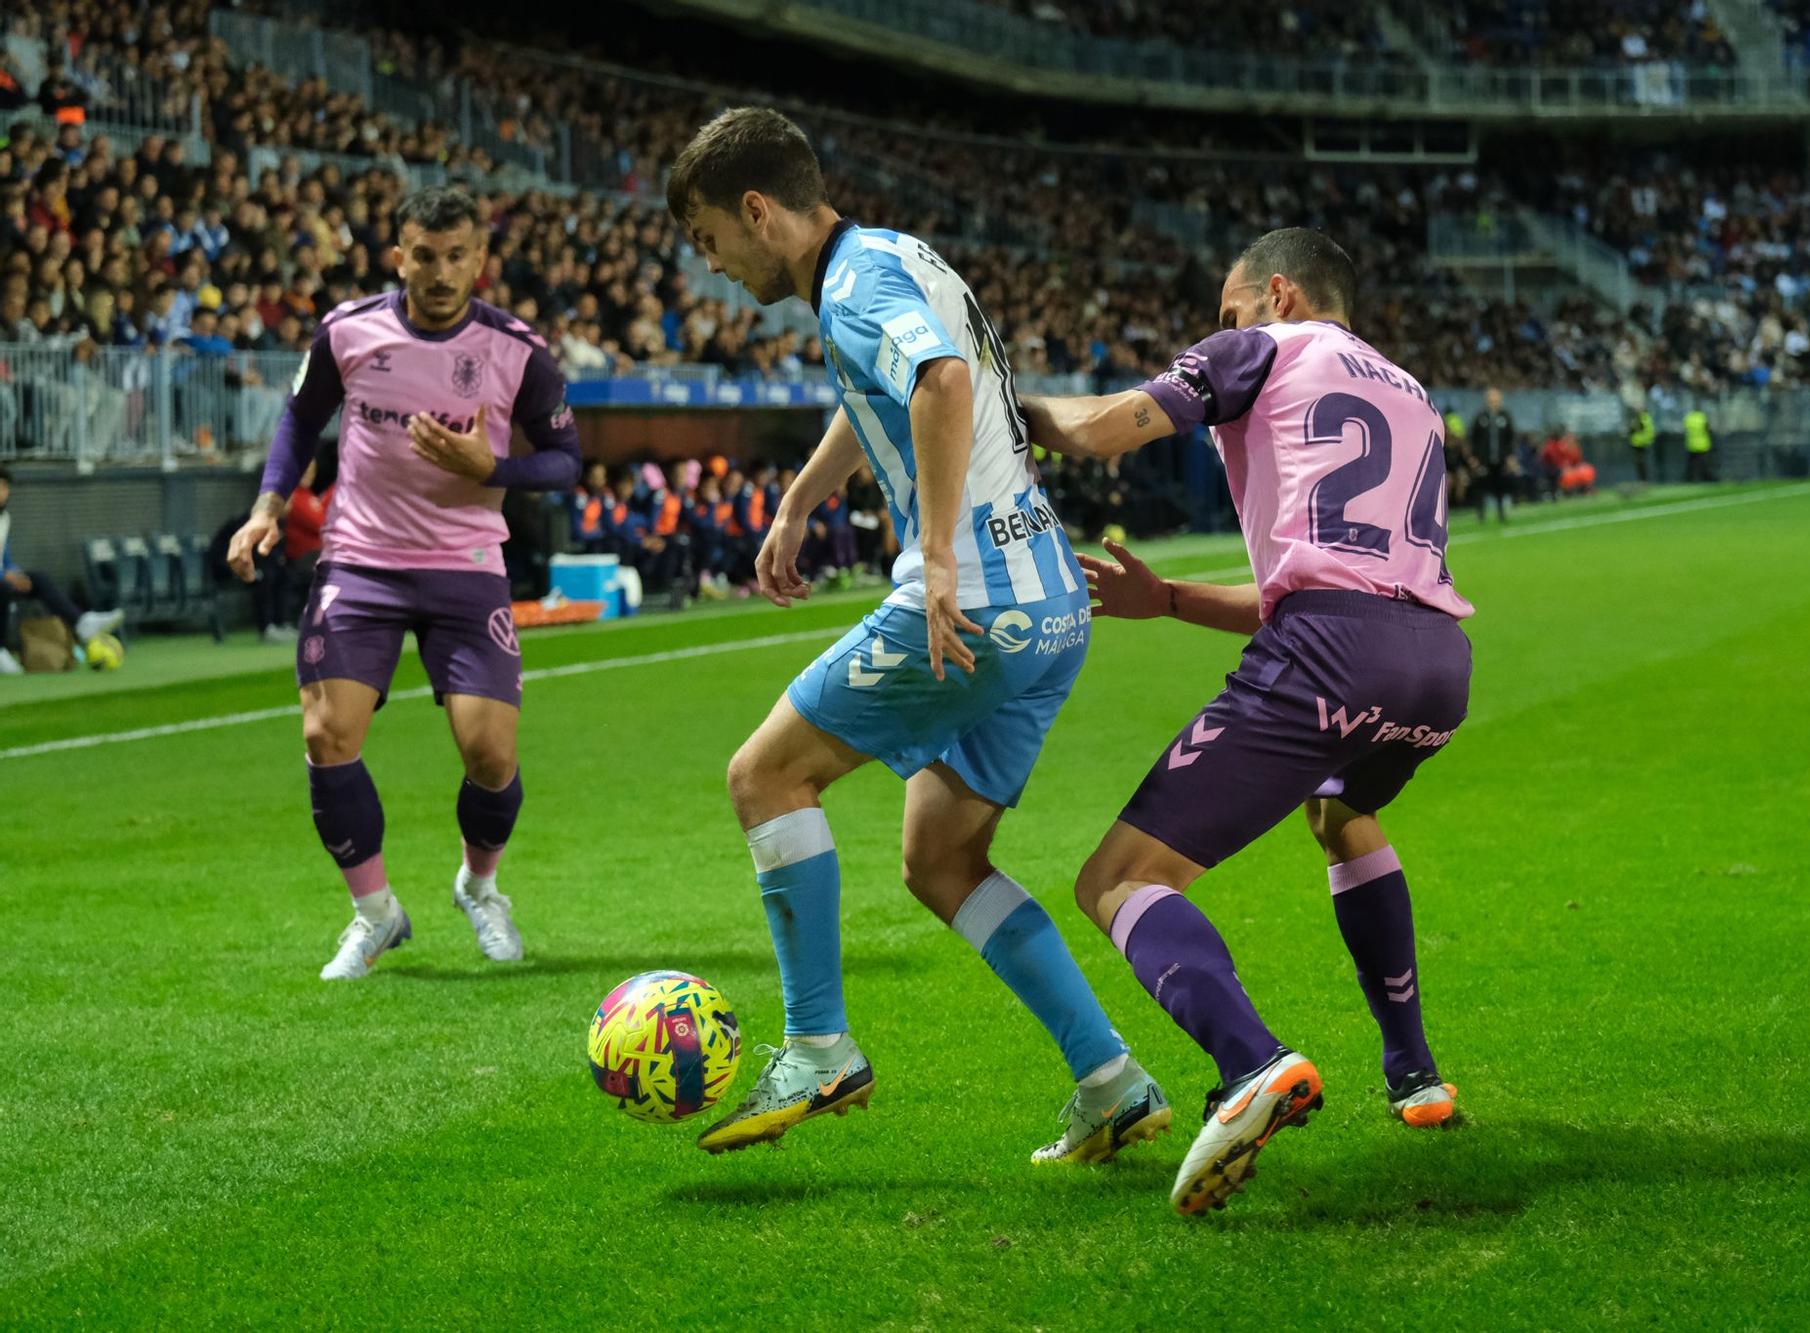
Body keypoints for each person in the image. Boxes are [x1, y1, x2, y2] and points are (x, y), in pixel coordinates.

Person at [669, 107, 1168, 1162]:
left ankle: (816, 1047)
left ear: (758, 212)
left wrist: (935, 556)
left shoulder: (852, 289)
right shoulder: (890, 256)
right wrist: (801, 500)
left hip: (974, 605)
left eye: (711, 239)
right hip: (1049, 610)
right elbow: (891, 385)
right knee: (941, 857)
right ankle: (1111, 1079)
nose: (715, 268)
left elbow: (938, 382)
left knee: (763, 777)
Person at [1022, 228, 1474, 1216]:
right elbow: (1337, 571)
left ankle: (1249, 1063)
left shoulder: (1265, 346)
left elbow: (1103, 429)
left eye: (1225, 311)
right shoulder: (1409, 392)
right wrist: (1170, 599)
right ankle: (1415, 1076)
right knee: (1341, 812)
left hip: (1331, 653)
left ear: (1274, 293)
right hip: (1436, 664)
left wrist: (993, 408)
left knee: (1116, 879)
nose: (1217, 331)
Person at [225, 185, 582, 981]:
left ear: (480, 259)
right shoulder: (349, 331)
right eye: (425, 255)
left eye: (458, 256)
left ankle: (479, 887)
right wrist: (267, 508)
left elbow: (566, 460)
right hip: (361, 559)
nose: (441, 272)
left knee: (490, 754)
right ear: (400, 256)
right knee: (327, 734)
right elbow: (299, 418)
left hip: (466, 565)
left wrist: (493, 468)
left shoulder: (516, 349)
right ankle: (375, 913)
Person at [0, 466, 124, 674]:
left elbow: (5, 557)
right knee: (2, 588)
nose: (3, 492)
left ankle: (82, 623)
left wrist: (15, 572)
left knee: (38, 579)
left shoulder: (4, 519)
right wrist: (5, 576)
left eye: (4, 487)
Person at [1469, 386, 1515, 522]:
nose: (1493, 402)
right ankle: (1480, 514)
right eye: (1491, 399)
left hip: (1501, 458)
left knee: (1500, 486)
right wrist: (1474, 457)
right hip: (1483, 459)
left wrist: (1510, 456)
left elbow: (1510, 438)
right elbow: (1473, 438)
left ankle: (1501, 513)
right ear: (1486, 400)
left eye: (1496, 399)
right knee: (1481, 486)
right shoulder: (1480, 417)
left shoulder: (1505, 417)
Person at [1683, 405, 1714, 482]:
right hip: (1702, 444)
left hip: (1691, 444)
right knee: (1704, 463)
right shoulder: (1702, 417)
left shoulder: (1688, 418)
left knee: (1692, 463)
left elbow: (1685, 429)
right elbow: (1708, 429)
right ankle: (1705, 478)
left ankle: (1691, 478)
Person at [1628, 402, 1656, 482]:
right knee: (1641, 463)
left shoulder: (1641, 419)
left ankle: (1643, 480)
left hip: (1640, 443)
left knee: (1641, 462)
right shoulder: (1647, 418)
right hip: (1643, 442)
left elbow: (1636, 428)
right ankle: (1643, 480)